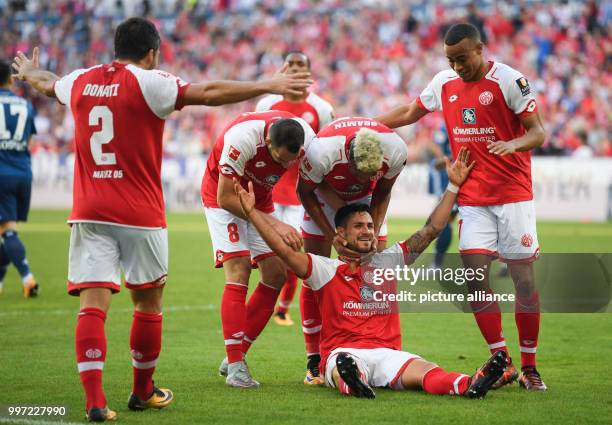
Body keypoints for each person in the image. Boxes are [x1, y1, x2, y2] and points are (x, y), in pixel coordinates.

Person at [11, 17, 313, 421]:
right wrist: (267, 85)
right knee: (149, 304)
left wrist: (30, 73)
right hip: (141, 213)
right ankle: (144, 391)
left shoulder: (80, 80)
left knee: (93, 304)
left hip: (89, 211)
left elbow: (50, 83)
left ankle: (95, 402)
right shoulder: (148, 82)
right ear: (151, 53)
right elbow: (207, 92)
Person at [235, 147, 507, 399]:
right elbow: (283, 251)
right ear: (340, 233)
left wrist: (454, 185)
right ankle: (353, 381)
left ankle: (469, 383)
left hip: (389, 354)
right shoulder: (324, 269)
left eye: (369, 225)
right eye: (359, 226)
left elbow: (430, 230)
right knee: (341, 366)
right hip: (344, 352)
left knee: (426, 371)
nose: (367, 230)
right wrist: (252, 212)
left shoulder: (388, 261)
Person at [375, 23, 546, 391]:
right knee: (474, 279)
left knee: (525, 283)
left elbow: (538, 132)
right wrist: (364, 124)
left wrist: (513, 145)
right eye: (450, 60)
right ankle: (502, 360)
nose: (457, 67)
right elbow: (408, 112)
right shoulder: (443, 83)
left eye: (463, 59)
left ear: (480, 50)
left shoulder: (510, 82)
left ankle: (530, 366)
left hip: (513, 195)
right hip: (472, 199)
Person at [201, 110, 315, 388]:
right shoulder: (242, 138)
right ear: (267, 140)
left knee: (276, 274)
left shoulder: (308, 141)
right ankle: (237, 368)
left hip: (259, 200)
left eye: (288, 161)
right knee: (239, 269)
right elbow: (226, 197)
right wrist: (276, 225)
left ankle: (235, 357)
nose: (282, 164)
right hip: (223, 199)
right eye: (278, 158)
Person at [296, 116, 407, 384]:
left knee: (374, 270)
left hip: (367, 201)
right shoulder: (322, 151)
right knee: (314, 274)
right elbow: (304, 191)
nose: (365, 178)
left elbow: (382, 192)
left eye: (372, 173)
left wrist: (372, 231)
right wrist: (331, 234)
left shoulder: (396, 149)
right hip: (324, 194)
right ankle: (314, 359)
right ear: (349, 157)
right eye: (361, 174)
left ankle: (376, 348)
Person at [255, 51, 335, 327]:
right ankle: (272, 311)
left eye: (302, 64)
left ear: (310, 72)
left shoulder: (322, 109)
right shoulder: (267, 102)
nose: (295, 69)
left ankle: (283, 308)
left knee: (293, 255)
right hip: (268, 193)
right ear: (282, 69)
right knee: (271, 259)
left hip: (301, 194)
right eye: (290, 64)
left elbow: (325, 151)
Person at [0, 60, 39, 298]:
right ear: (11, 78)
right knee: (8, 231)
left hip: (1, 172)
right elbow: (29, 143)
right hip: (23, 173)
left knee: (8, 231)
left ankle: (28, 278)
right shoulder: (25, 105)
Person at [426, 125, 457, 269]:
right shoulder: (447, 126)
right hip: (456, 172)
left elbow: (434, 145)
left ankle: (437, 264)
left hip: (453, 174)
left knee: (444, 219)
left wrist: (444, 159)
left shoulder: (446, 127)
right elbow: (434, 145)